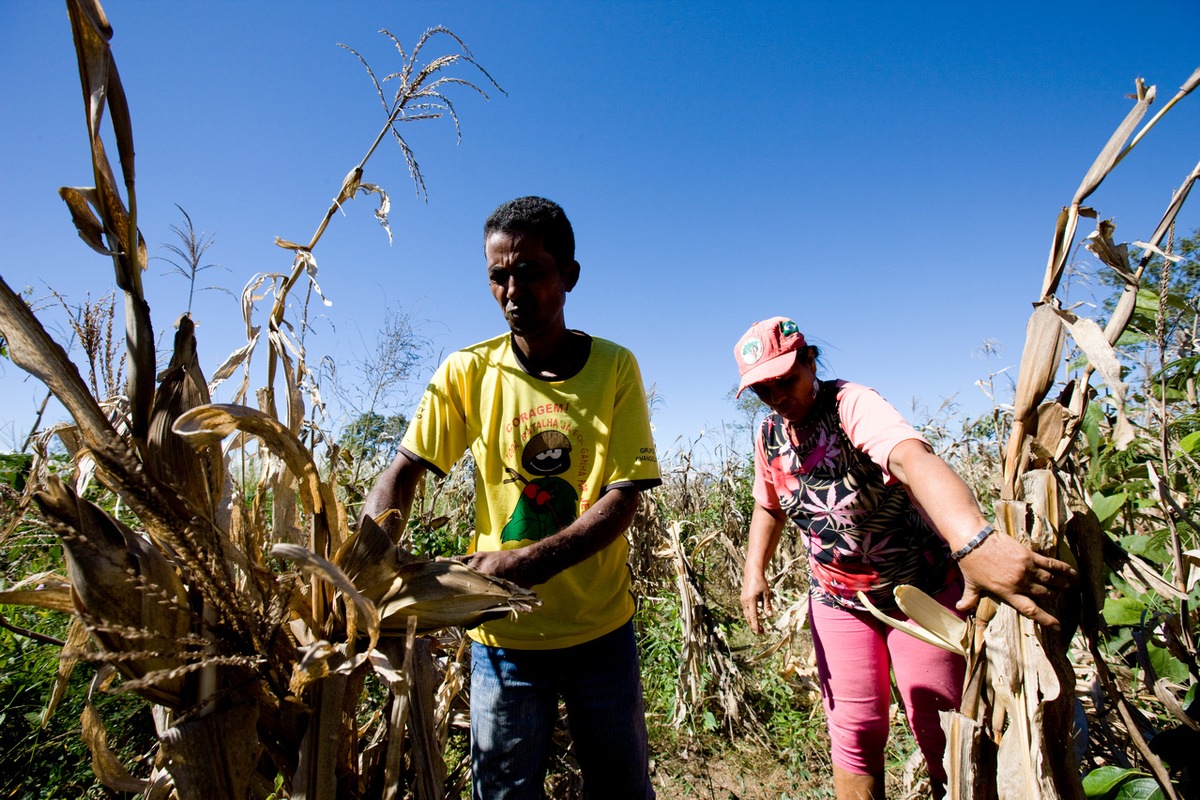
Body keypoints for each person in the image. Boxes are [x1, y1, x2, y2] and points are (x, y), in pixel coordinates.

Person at [363, 196, 661, 800]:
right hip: (503, 642)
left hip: (598, 631)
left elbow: (621, 500)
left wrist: (518, 565)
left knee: (621, 787)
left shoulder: (613, 368)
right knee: (502, 792)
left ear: (569, 276)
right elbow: (403, 470)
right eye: (498, 275)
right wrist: (363, 562)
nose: (512, 291)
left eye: (531, 272)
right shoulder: (467, 371)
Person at [733, 316, 1075, 800]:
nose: (778, 397)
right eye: (763, 390)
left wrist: (973, 542)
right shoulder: (769, 432)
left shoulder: (851, 402)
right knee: (854, 732)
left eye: (786, 379)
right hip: (839, 599)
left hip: (921, 590)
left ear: (811, 360)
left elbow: (909, 459)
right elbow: (768, 505)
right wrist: (754, 573)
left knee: (942, 726)